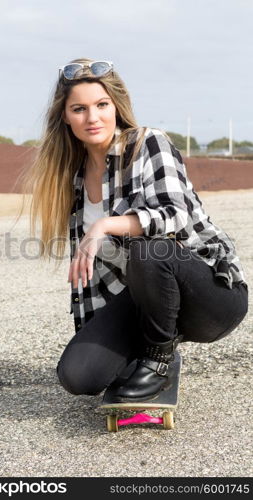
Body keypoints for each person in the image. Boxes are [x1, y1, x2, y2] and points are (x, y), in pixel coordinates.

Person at [21, 57, 248, 403]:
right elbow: (94, 280)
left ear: (116, 106)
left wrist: (104, 225)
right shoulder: (76, 180)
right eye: (79, 108)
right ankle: (155, 343)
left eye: (101, 105)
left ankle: (159, 359)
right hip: (147, 302)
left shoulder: (147, 143)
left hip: (209, 293)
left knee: (149, 249)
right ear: (65, 116)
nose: (92, 117)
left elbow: (174, 215)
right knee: (79, 376)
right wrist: (100, 344)